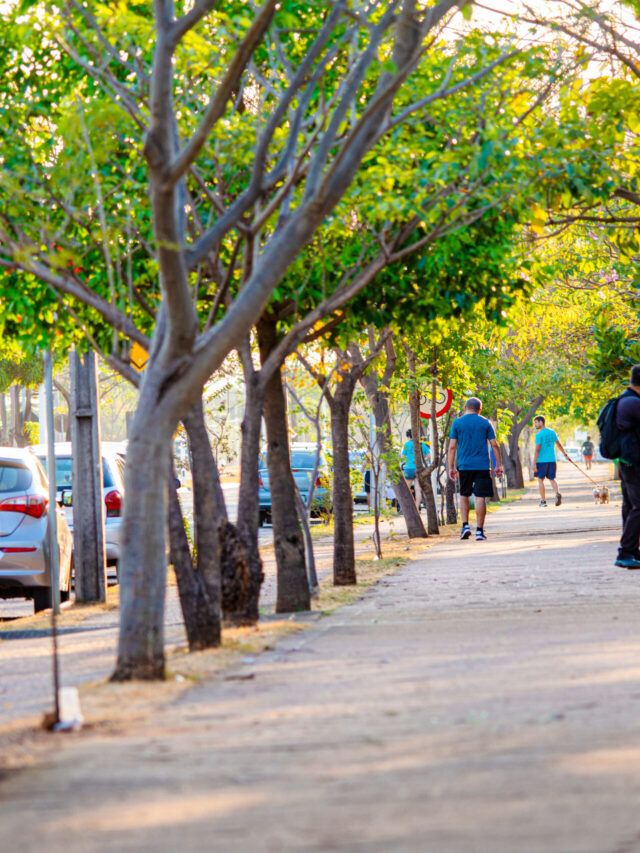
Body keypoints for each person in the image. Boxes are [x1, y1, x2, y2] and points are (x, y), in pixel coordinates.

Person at [448, 397, 503, 541]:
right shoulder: (485, 423)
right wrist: (498, 465)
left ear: (465, 407)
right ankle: (479, 531)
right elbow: (494, 445)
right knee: (480, 497)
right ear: (480, 409)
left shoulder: (457, 423)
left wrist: (451, 467)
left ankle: (465, 526)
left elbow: (452, 447)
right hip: (482, 466)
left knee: (464, 495)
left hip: (464, 466)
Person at [614, 365, 640, 569]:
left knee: (630, 506)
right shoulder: (632, 403)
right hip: (633, 462)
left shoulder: (625, 400)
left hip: (627, 461)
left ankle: (631, 551)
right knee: (638, 506)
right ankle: (626, 551)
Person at [533, 416, 569, 507]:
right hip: (552, 460)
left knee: (540, 480)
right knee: (552, 479)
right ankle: (557, 493)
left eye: (536, 422)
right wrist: (565, 454)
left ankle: (543, 501)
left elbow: (537, 450)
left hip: (541, 461)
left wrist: (533, 463)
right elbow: (559, 445)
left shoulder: (539, 435)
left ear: (541, 422)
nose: (535, 425)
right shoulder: (552, 432)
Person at [401, 428, 429, 508]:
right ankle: (416, 507)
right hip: (419, 468)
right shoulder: (422, 444)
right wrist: (424, 463)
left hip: (408, 468)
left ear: (408, 436)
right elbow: (429, 456)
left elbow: (402, 457)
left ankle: (406, 507)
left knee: (406, 490)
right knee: (418, 490)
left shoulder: (407, 444)